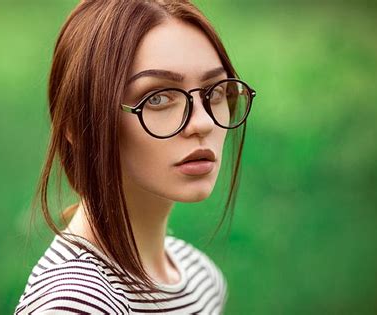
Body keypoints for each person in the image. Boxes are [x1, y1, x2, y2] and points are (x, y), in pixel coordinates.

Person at [14, 0, 256, 314]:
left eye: (215, 91)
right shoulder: (73, 304)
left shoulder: (201, 279)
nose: (203, 122)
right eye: (158, 97)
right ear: (77, 124)